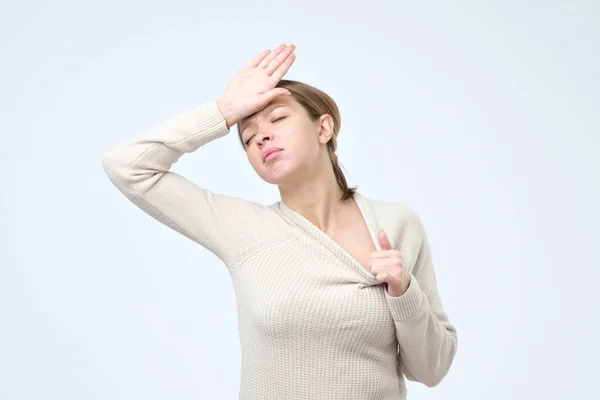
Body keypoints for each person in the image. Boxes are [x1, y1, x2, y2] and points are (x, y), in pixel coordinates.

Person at [101, 43, 458, 400]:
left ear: (324, 129)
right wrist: (223, 112)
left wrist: (404, 291)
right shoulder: (240, 228)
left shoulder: (396, 224)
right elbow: (127, 166)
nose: (262, 136)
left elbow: (431, 369)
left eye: (277, 119)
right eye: (248, 136)